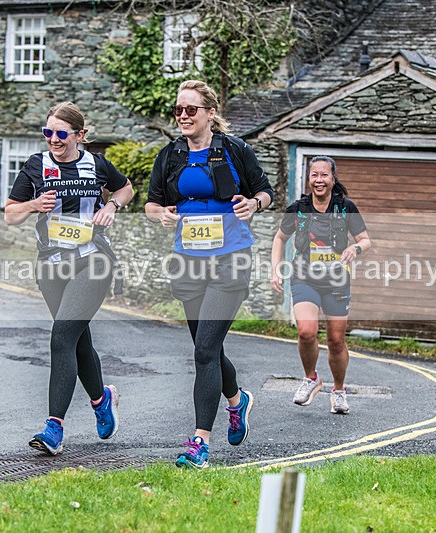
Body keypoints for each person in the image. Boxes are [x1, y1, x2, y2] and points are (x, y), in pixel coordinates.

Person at [145, 80, 274, 469]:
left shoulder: (235, 150)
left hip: (230, 258)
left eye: (191, 109)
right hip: (188, 261)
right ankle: (237, 400)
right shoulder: (170, 155)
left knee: (203, 350)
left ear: (210, 113)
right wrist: (161, 214)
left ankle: (199, 442)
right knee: (209, 349)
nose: (183, 116)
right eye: (178, 110)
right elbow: (152, 204)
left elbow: (265, 192)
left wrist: (253, 204)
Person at [4, 102, 134, 454]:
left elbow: (126, 188)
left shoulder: (96, 164)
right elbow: (10, 214)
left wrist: (112, 205)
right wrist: (33, 205)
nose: (54, 139)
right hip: (52, 265)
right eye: (48, 132)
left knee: (62, 335)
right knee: (76, 339)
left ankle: (54, 428)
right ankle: (101, 399)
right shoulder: (36, 165)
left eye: (61, 133)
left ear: (80, 135)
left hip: (93, 260)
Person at [271, 156, 370, 414]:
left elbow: (365, 240)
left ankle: (338, 391)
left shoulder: (345, 207)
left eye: (324, 175)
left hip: (336, 280)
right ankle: (311, 378)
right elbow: (280, 238)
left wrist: (355, 248)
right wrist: (275, 269)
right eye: (314, 175)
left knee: (336, 340)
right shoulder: (298, 209)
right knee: (306, 332)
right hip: (304, 277)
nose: (319, 180)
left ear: (333, 179)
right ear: (309, 179)